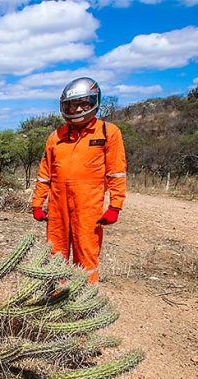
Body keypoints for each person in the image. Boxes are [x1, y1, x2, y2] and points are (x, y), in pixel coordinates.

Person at [31, 77, 127, 283]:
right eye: (71, 105)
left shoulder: (108, 132)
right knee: (55, 253)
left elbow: (116, 172)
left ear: (93, 102)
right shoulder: (56, 136)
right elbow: (44, 174)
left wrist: (115, 206)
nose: (76, 109)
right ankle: (56, 297)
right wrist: (37, 203)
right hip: (57, 207)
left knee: (86, 254)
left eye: (82, 104)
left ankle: (85, 300)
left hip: (88, 206)